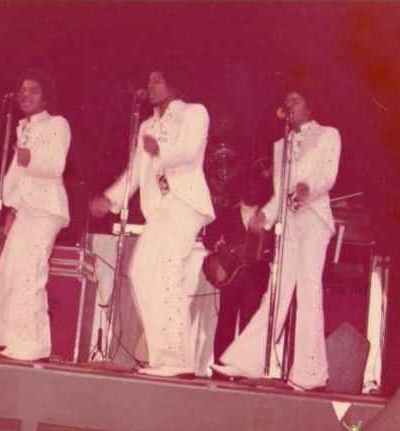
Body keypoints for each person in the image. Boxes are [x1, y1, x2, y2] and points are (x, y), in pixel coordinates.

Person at [212, 88, 341, 390]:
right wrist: (265, 217)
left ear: (311, 106)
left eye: (296, 100)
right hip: (290, 223)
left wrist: (310, 188)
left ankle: (311, 372)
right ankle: (249, 359)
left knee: (308, 290)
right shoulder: (281, 145)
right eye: (286, 102)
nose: (289, 106)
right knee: (277, 290)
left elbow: (329, 174)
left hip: (314, 219)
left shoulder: (327, 135)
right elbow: (280, 191)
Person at [89, 67, 215, 377]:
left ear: (175, 81)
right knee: (142, 272)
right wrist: (111, 199)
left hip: (184, 202)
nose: (151, 85)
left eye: (158, 79)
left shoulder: (194, 112)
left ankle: (178, 359)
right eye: (149, 80)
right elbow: (136, 170)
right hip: (159, 209)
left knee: (167, 269)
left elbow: (189, 150)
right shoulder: (147, 124)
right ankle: (164, 357)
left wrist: (161, 149)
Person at [0, 69, 70, 361]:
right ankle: (11, 338)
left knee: (30, 272)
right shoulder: (23, 126)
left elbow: (56, 164)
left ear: (46, 97)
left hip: (46, 208)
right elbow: (16, 173)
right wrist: (10, 207)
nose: (25, 95)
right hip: (25, 208)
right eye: (22, 90)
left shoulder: (57, 123)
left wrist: (29, 158)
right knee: (8, 269)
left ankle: (31, 343)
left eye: (33, 90)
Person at [202, 164, 272, 365]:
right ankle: (220, 365)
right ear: (241, 189)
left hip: (255, 277)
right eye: (248, 186)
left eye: (256, 187)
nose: (252, 190)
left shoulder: (268, 215)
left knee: (249, 323)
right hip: (231, 278)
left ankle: (243, 366)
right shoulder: (228, 213)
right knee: (226, 320)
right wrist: (219, 246)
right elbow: (209, 238)